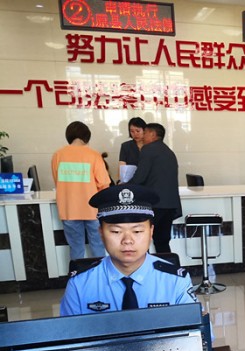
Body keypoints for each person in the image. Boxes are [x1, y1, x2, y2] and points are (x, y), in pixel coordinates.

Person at [60, 184, 196, 316]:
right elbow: (68, 331)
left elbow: (194, 329)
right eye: (116, 231)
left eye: (137, 231)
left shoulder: (176, 281)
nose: (127, 240)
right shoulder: (79, 284)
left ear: (151, 232)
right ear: (101, 233)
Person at [51, 121, 112, 260]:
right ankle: (98, 273)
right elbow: (104, 184)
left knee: (76, 248)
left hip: (68, 209)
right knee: (97, 246)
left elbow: (57, 181)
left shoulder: (58, 155)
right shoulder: (93, 155)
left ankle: (76, 273)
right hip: (93, 209)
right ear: (86, 136)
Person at [130, 123, 182, 253]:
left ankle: (144, 266)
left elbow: (140, 177)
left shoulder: (148, 149)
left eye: (145, 133)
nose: (142, 136)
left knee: (143, 240)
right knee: (162, 242)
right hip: (170, 205)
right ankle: (166, 265)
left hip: (154, 204)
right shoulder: (168, 151)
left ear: (153, 134)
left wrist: (125, 186)